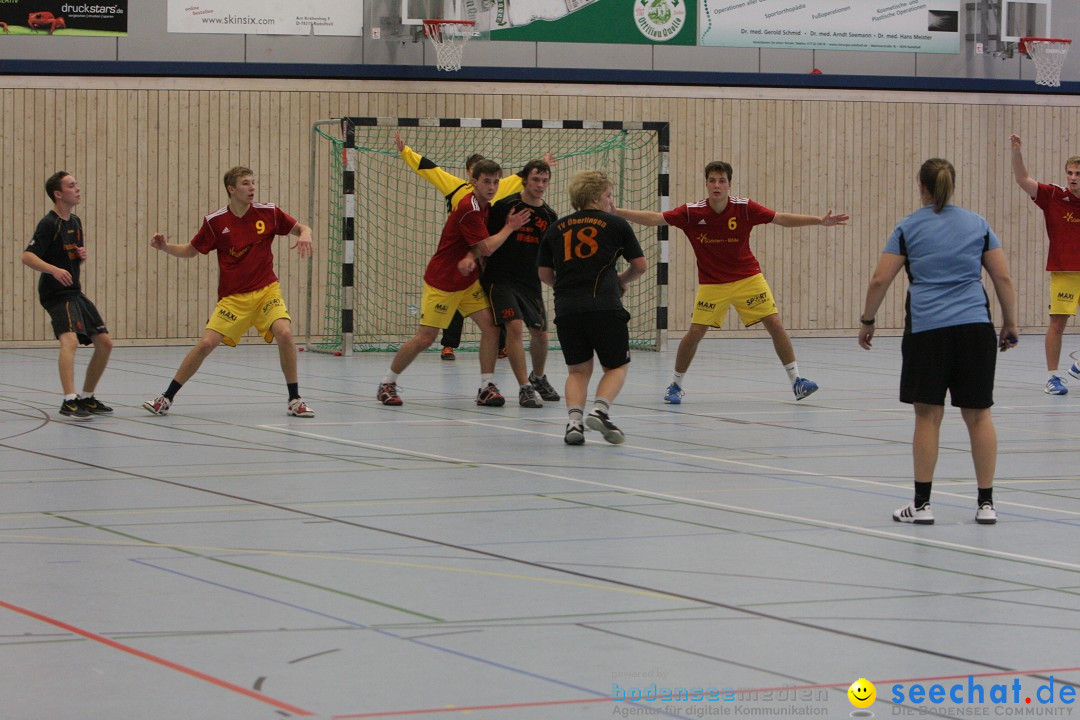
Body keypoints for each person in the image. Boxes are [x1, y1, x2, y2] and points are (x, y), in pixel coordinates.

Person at [859, 158, 1018, 525]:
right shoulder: (978, 224)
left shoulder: (908, 227)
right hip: (975, 329)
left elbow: (879, 280)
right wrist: (1009, 323)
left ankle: (923, 505)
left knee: (928, 415)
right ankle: (986, 504)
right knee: (979, 415)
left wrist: (867, 320)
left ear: (922, 186)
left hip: (928, 331)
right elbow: (1003, 278)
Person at [616, 161, 848, 404]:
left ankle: (797, 381)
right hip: (712, 284)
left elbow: (781, 219)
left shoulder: (744, 208)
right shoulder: (691, 212)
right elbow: (655, 218)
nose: (717, 185)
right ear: (706, 184)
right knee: (695, 332)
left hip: (748, 278)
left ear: (729, 184)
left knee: (775, 324)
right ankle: (675, 385)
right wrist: (617, 212)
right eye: (713, 180)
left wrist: (819, 220)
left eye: (722, 181)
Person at [143, 166, 315, 418]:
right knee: (205, 344)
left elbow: (302, 228)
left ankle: (294, 399)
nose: (252, 188)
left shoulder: (268, 213)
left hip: (267, 290)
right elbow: (191, 250)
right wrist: (165, 247)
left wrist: (306, 235)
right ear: (231, 189)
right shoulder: (215, 222)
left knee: (285, 333)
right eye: (246, 183)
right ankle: (165, 398)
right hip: (234, 299)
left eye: (253, 183)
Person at [376, 159, 530, 407]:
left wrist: (470, 257)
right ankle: (387, 383)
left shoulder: (485, 206)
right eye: (486, 182)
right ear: (474, 182)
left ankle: (486, 386)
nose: (491, 187)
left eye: (495, 182)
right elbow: (487, 248)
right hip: (443, 282)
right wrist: (510, 227)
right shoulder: (469, 207)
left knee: (492, 327)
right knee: (426, 338)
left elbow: (476, 246)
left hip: (467, 283)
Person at [395, 132, 551, 359]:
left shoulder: (498, 189)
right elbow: (431, 169)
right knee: (437, 324)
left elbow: (522, 177)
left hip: (481, 256)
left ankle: (494, 364)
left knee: (491, 316)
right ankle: (448, 345)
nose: (490, 185)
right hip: (457, 258)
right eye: (482, 176)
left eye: (492, 179)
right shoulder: (459, 191)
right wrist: (405, 151)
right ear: (471, 176)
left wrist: (542, 165)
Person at [538, 170, 647, 445]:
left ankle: (574, 424)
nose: (611, 201)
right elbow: (640, 266)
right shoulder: (616, 224)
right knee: (616, 366)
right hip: (605, 306)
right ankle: (599, 410)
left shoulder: (556, 228)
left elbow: (543, 273)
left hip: (567, 309)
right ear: (598, 198)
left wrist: (565, 289)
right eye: (609, 196)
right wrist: (621, 280)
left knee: (577, 371)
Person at [21, 171, 114, 420]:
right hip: (55, 293)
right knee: (70, 341)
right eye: (71, 186)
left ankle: (86, 396)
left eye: (77, 184)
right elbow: (27, 256)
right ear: (58, 194)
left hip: (74, 291)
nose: (77, 189)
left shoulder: (75, 222)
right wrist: (53, 269)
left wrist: (78, 256)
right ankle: (69, 400)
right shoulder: (48, 223)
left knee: (104, 343)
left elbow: (67, 256)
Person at [482, 159, 561, 407]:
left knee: (541, 335)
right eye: (535, 179)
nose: (540, 185)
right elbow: (486, 242)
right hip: (501, 279)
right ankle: (524, 388)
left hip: (530, 283)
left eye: (544, 180)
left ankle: (537, 378)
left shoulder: (549, 216)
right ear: (525, 180)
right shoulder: (505, 206)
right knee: (514, 327)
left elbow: (549, 254)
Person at [1009, 133, 1080, 395]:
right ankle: (1053, 377)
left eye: (1078, 173)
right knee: (1057, 325)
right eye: (1070, 173)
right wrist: (1016, 152)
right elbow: (1022, 179)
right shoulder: (1053, 196)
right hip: (1064, 272)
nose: (1073, 177)